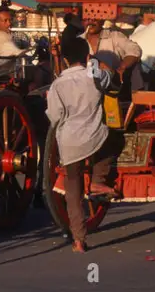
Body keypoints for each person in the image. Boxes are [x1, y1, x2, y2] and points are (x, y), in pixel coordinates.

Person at [46, 37, 124, 253]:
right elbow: (112, 81)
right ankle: (99, 180)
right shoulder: (94, 76)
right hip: (96, 137)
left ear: (64, 59)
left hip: (69, 143)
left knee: (73, 192)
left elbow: (54, 116)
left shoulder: (57, 85)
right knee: (116, 140)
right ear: (88, 57)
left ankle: (79, 240)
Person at [81, 13, 143, 93]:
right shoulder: (78, 41)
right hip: (87, 91)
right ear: (82, 22)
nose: (91, 22)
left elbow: (134, 49)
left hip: (114, 90)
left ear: (103, 21)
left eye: (95, 19)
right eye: (87, 19)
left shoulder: (114, 36)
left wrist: (123, 66)